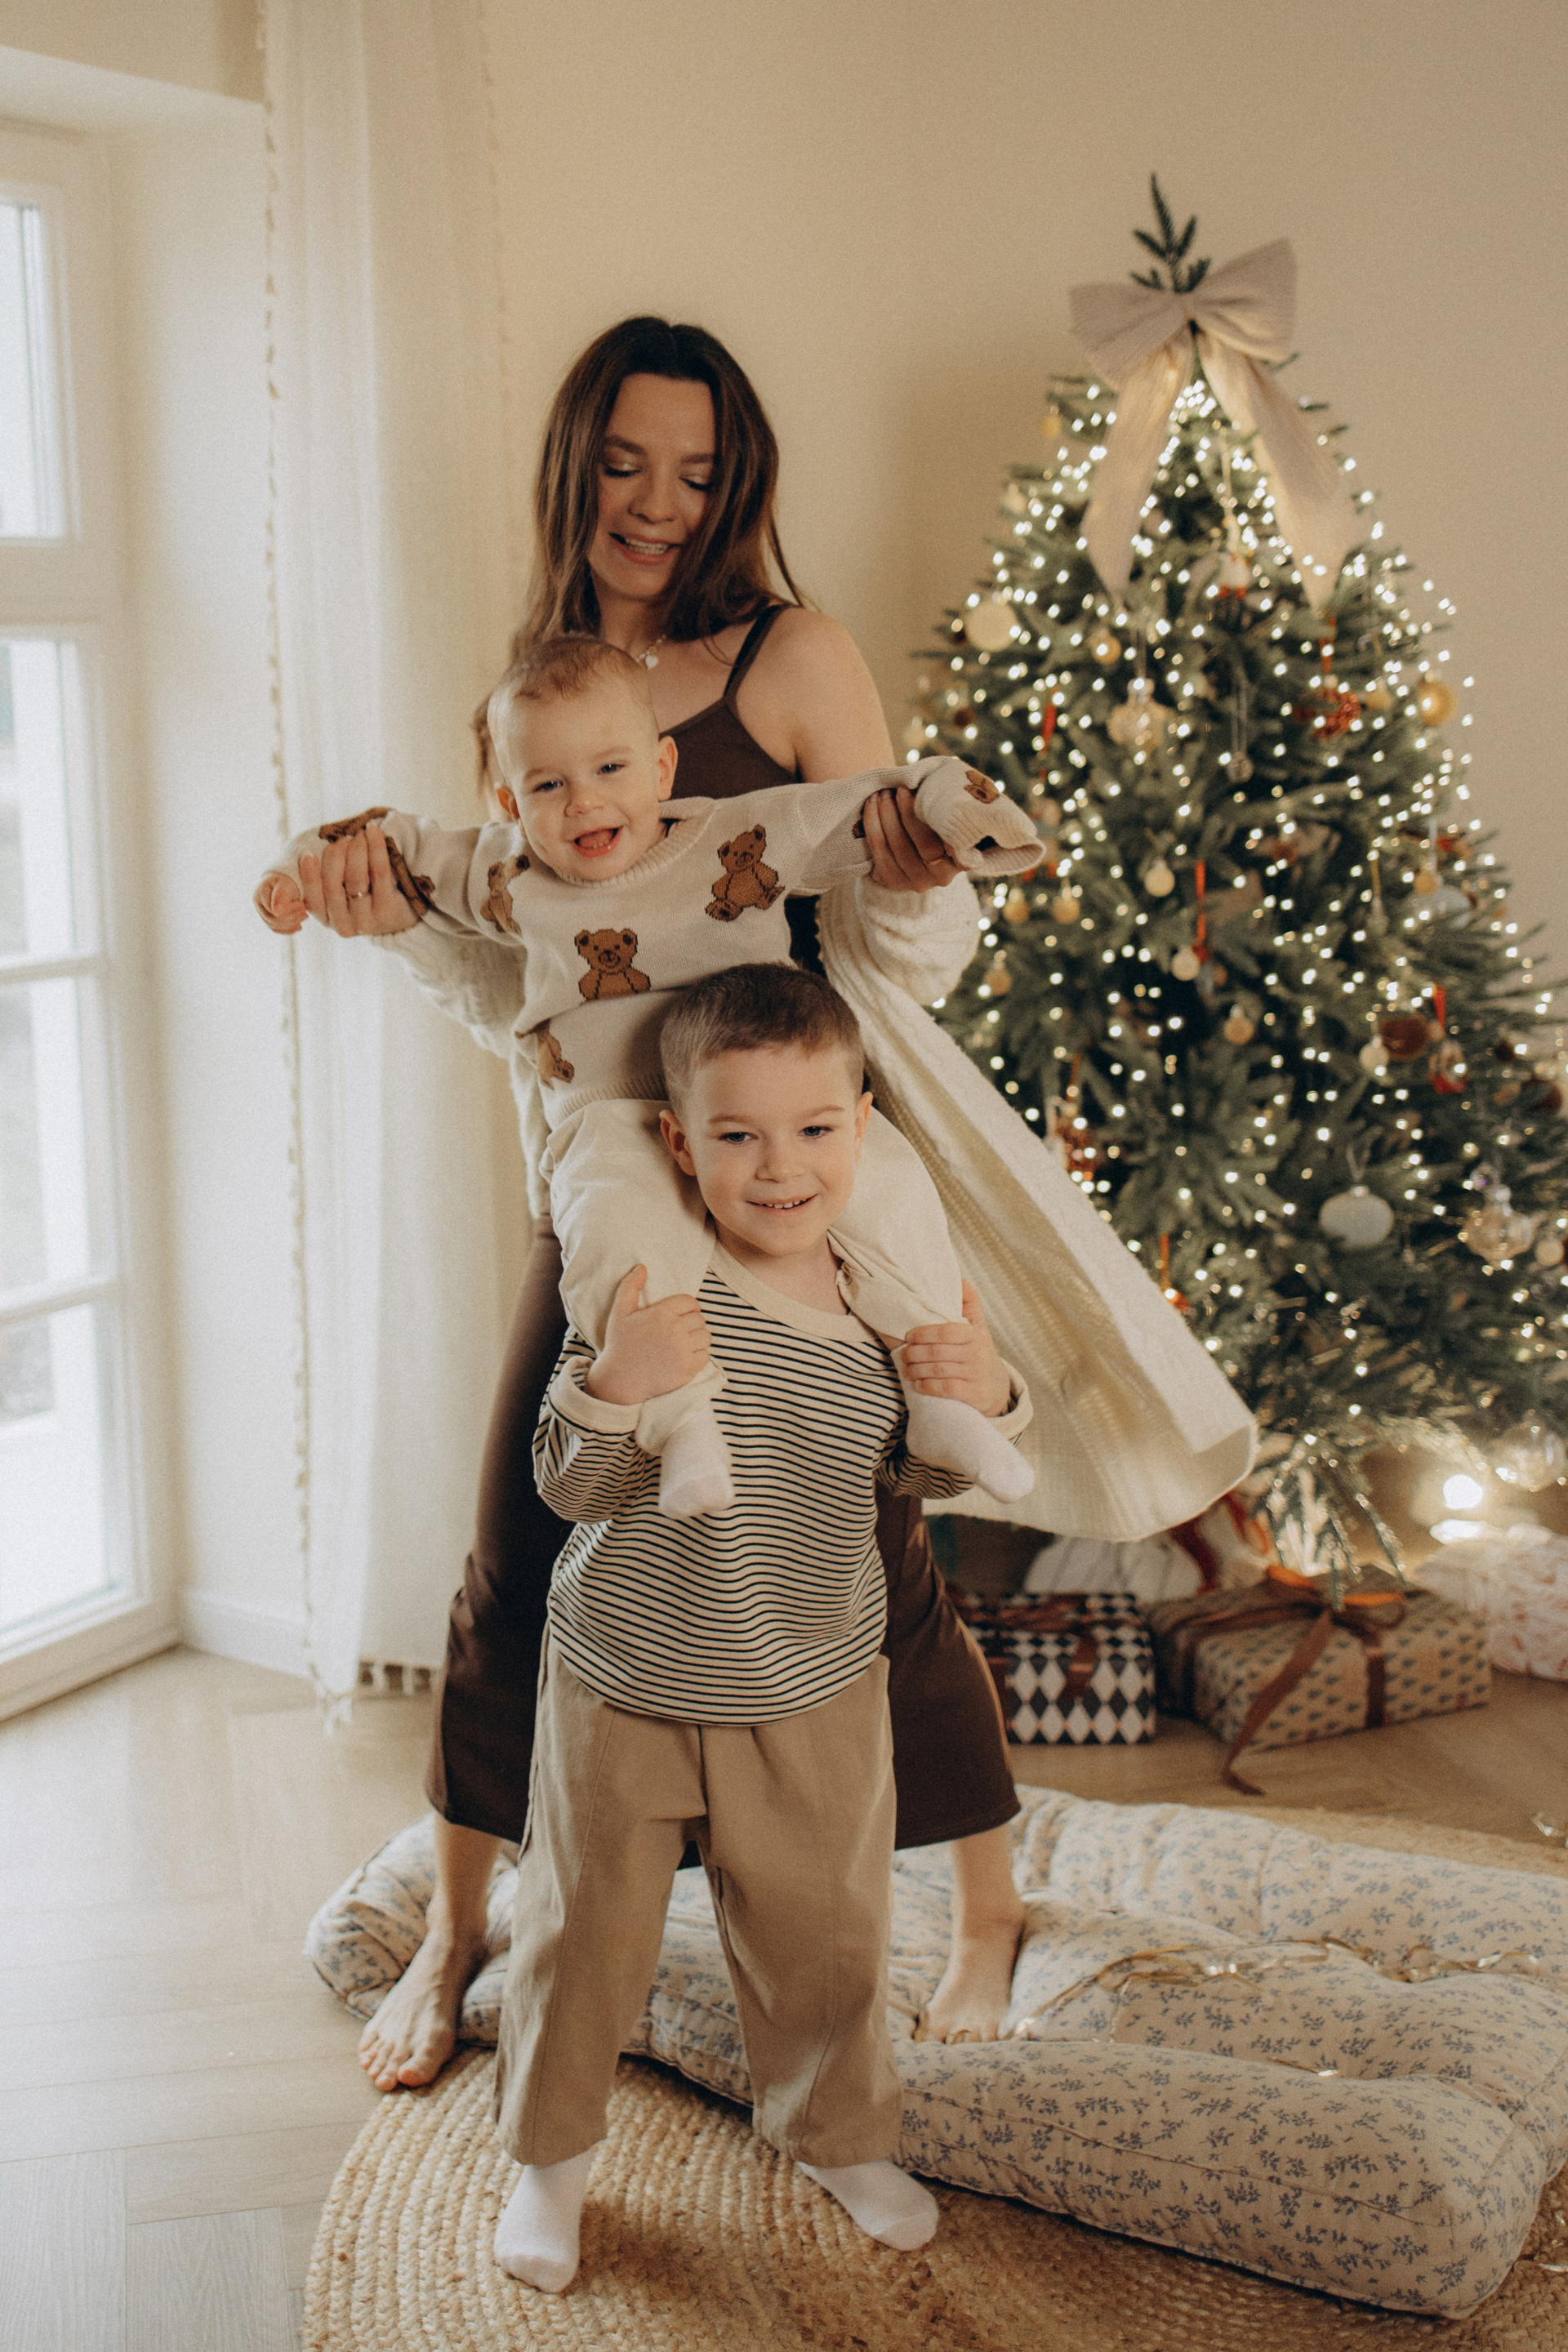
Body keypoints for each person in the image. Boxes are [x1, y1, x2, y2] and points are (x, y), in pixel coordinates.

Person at [265, 316, 1031, 2090]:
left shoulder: (791, 655)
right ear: (577, 467)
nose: (658, 502)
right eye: (624, 462)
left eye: (694, 469)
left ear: (735, 478)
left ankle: (990, 1911)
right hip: (614, 1178)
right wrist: (396, 928)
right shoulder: (538, 696)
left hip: (784, 1190)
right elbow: (519, 985)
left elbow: (900, 953)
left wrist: (923, 874)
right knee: (517, 1544)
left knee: (871, 1556)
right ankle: (460, 1927)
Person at [490, 964, 1031, 2292]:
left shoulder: (887, 1300)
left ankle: (839, 2136)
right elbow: (570, 1485)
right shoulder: (650, 1284)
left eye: (813, 1130)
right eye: (737, 1135)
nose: (779, 1168)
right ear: (680, 1143)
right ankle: (550, 2163)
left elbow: (926, 1471)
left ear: (862, 1129)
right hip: (626, 1676)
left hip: (811, 1680)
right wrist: (619, 1383)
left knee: (826, 1936)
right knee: (582, 1937)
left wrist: (987, 1390)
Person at [256, 635, 1041, 1513]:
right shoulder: (507, 873)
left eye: (610, 768)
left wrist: (953, 807)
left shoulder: (730, 838)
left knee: (888, 1182)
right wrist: (297, 872)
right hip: (612, 1112)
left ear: (662, 767)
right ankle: (678, 1420)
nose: (584, 801)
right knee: (611, 1230)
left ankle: (941, 1393)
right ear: (511, 803)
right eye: (548, 786)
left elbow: (855, 805)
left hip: (761, 1101)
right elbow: (395, 847)